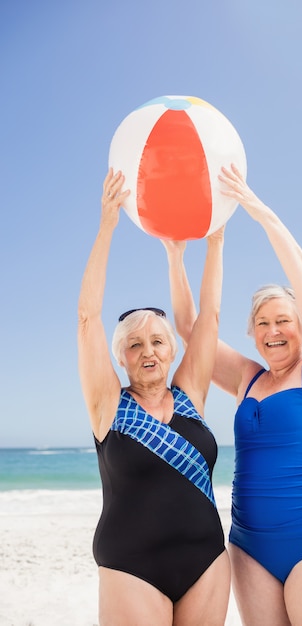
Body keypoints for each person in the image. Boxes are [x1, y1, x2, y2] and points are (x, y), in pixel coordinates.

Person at [163, 164, 302, 626]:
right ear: (252, 333)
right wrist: (179, 255)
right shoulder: (247, 379)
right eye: (263, 322)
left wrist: (258, 211)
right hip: (248, 545)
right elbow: (192, 328)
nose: (274, 330)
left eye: (284, 320)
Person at [77, 168, 230, 626]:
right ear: (121, 358)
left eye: (158, 342)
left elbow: (210, 319)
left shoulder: (191, 395)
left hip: (206, 560)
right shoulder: (108, 405)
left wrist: (214, 244)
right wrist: (107, 226)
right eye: (135, 345)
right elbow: (88, 317)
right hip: (131, 566)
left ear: (172, 350)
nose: (148, 352)